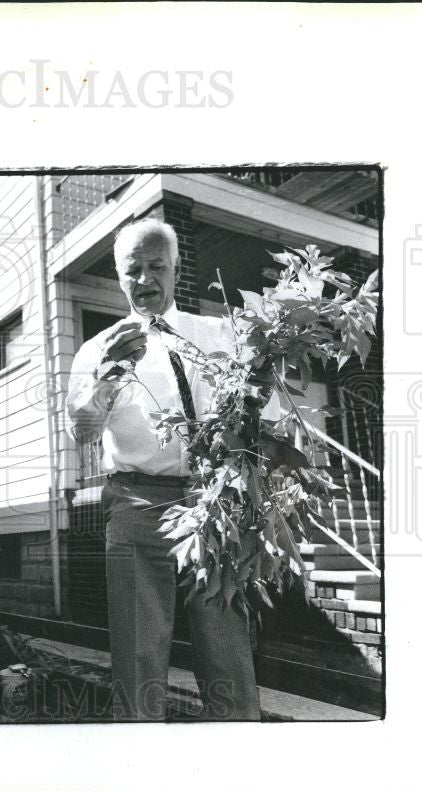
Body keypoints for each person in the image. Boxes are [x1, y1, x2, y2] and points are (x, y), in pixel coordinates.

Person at [66, 218, 278, 722]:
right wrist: (105, 379)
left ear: (175, 267)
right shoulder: (97, 351)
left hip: (211, 506)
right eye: (132, 270)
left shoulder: (218, 335)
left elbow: (256, 414)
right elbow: (83, 431)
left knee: (227, 650)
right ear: (119, 276)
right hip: (136, 505)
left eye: (155, 266)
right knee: (139, 656)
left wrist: (264, 375)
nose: (144, 280)